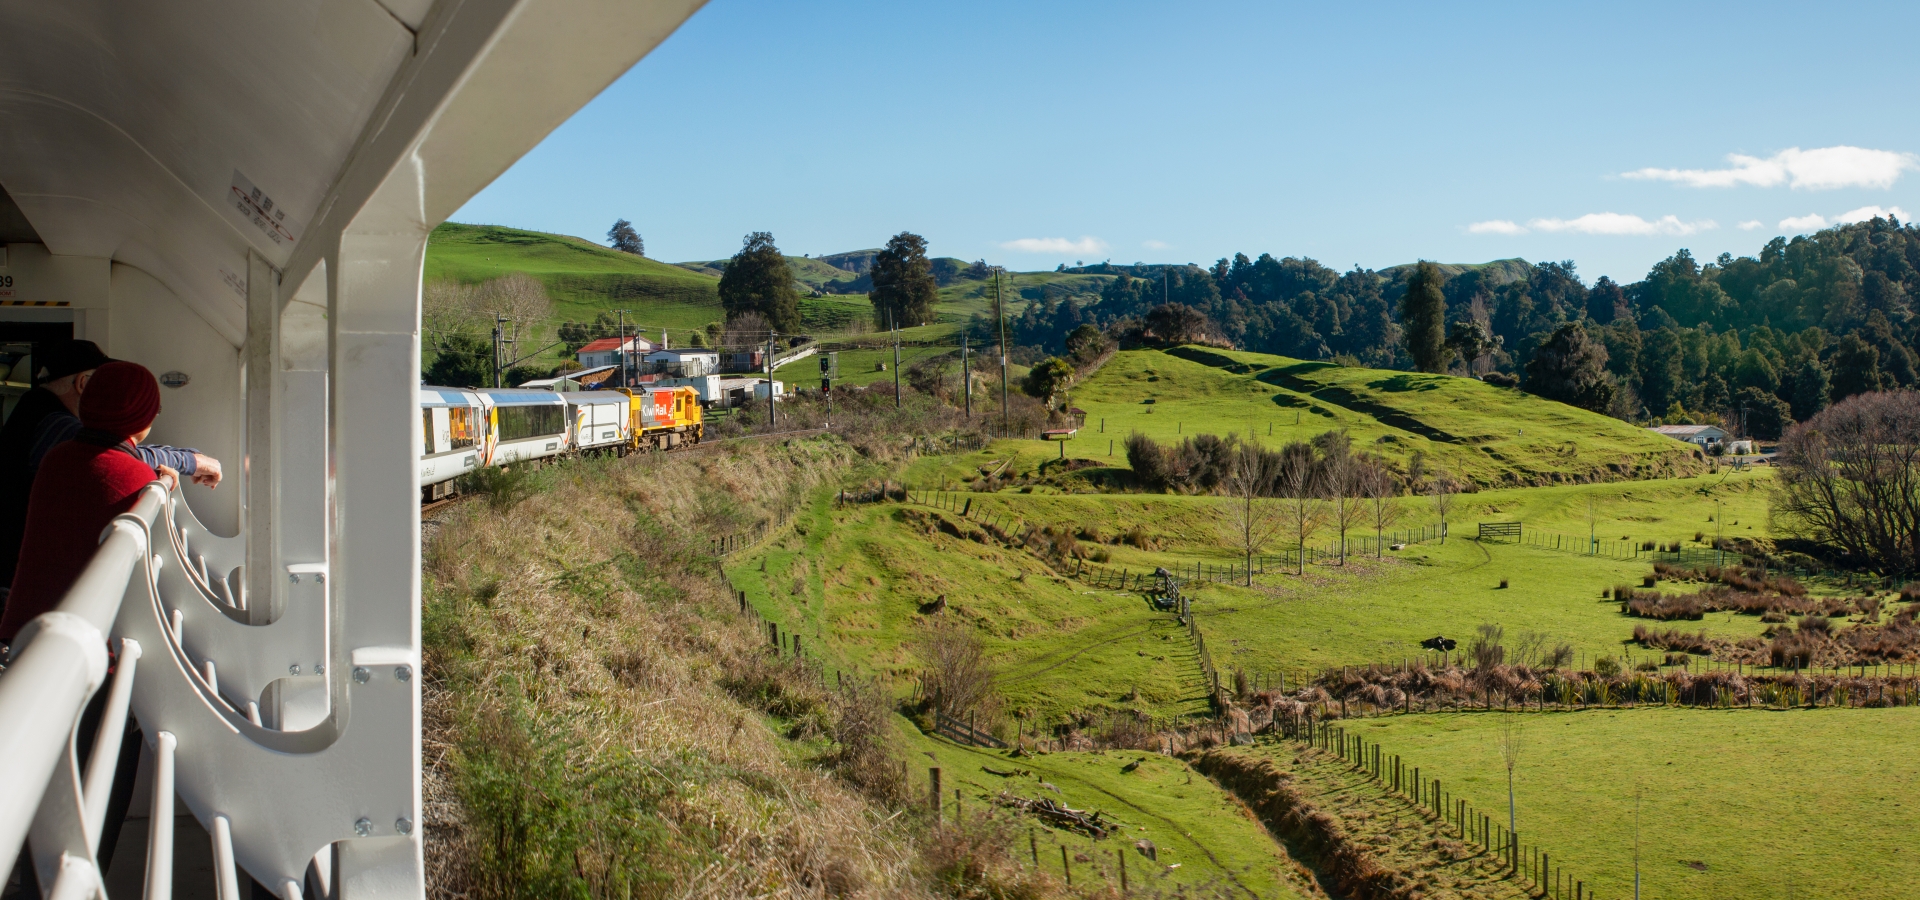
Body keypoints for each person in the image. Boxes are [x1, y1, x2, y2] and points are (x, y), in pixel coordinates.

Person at [0, 340, 218, 591]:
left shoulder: (36, 410)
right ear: (83, 384)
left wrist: (186, 458)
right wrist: (191, 462)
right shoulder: (54, 422)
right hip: (13, 583)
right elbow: (112, 455)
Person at [0, 362, 178, 641]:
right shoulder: (136, 476)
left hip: (22, 623)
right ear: (141, 415)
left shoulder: (56, 458)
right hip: (77, 640)